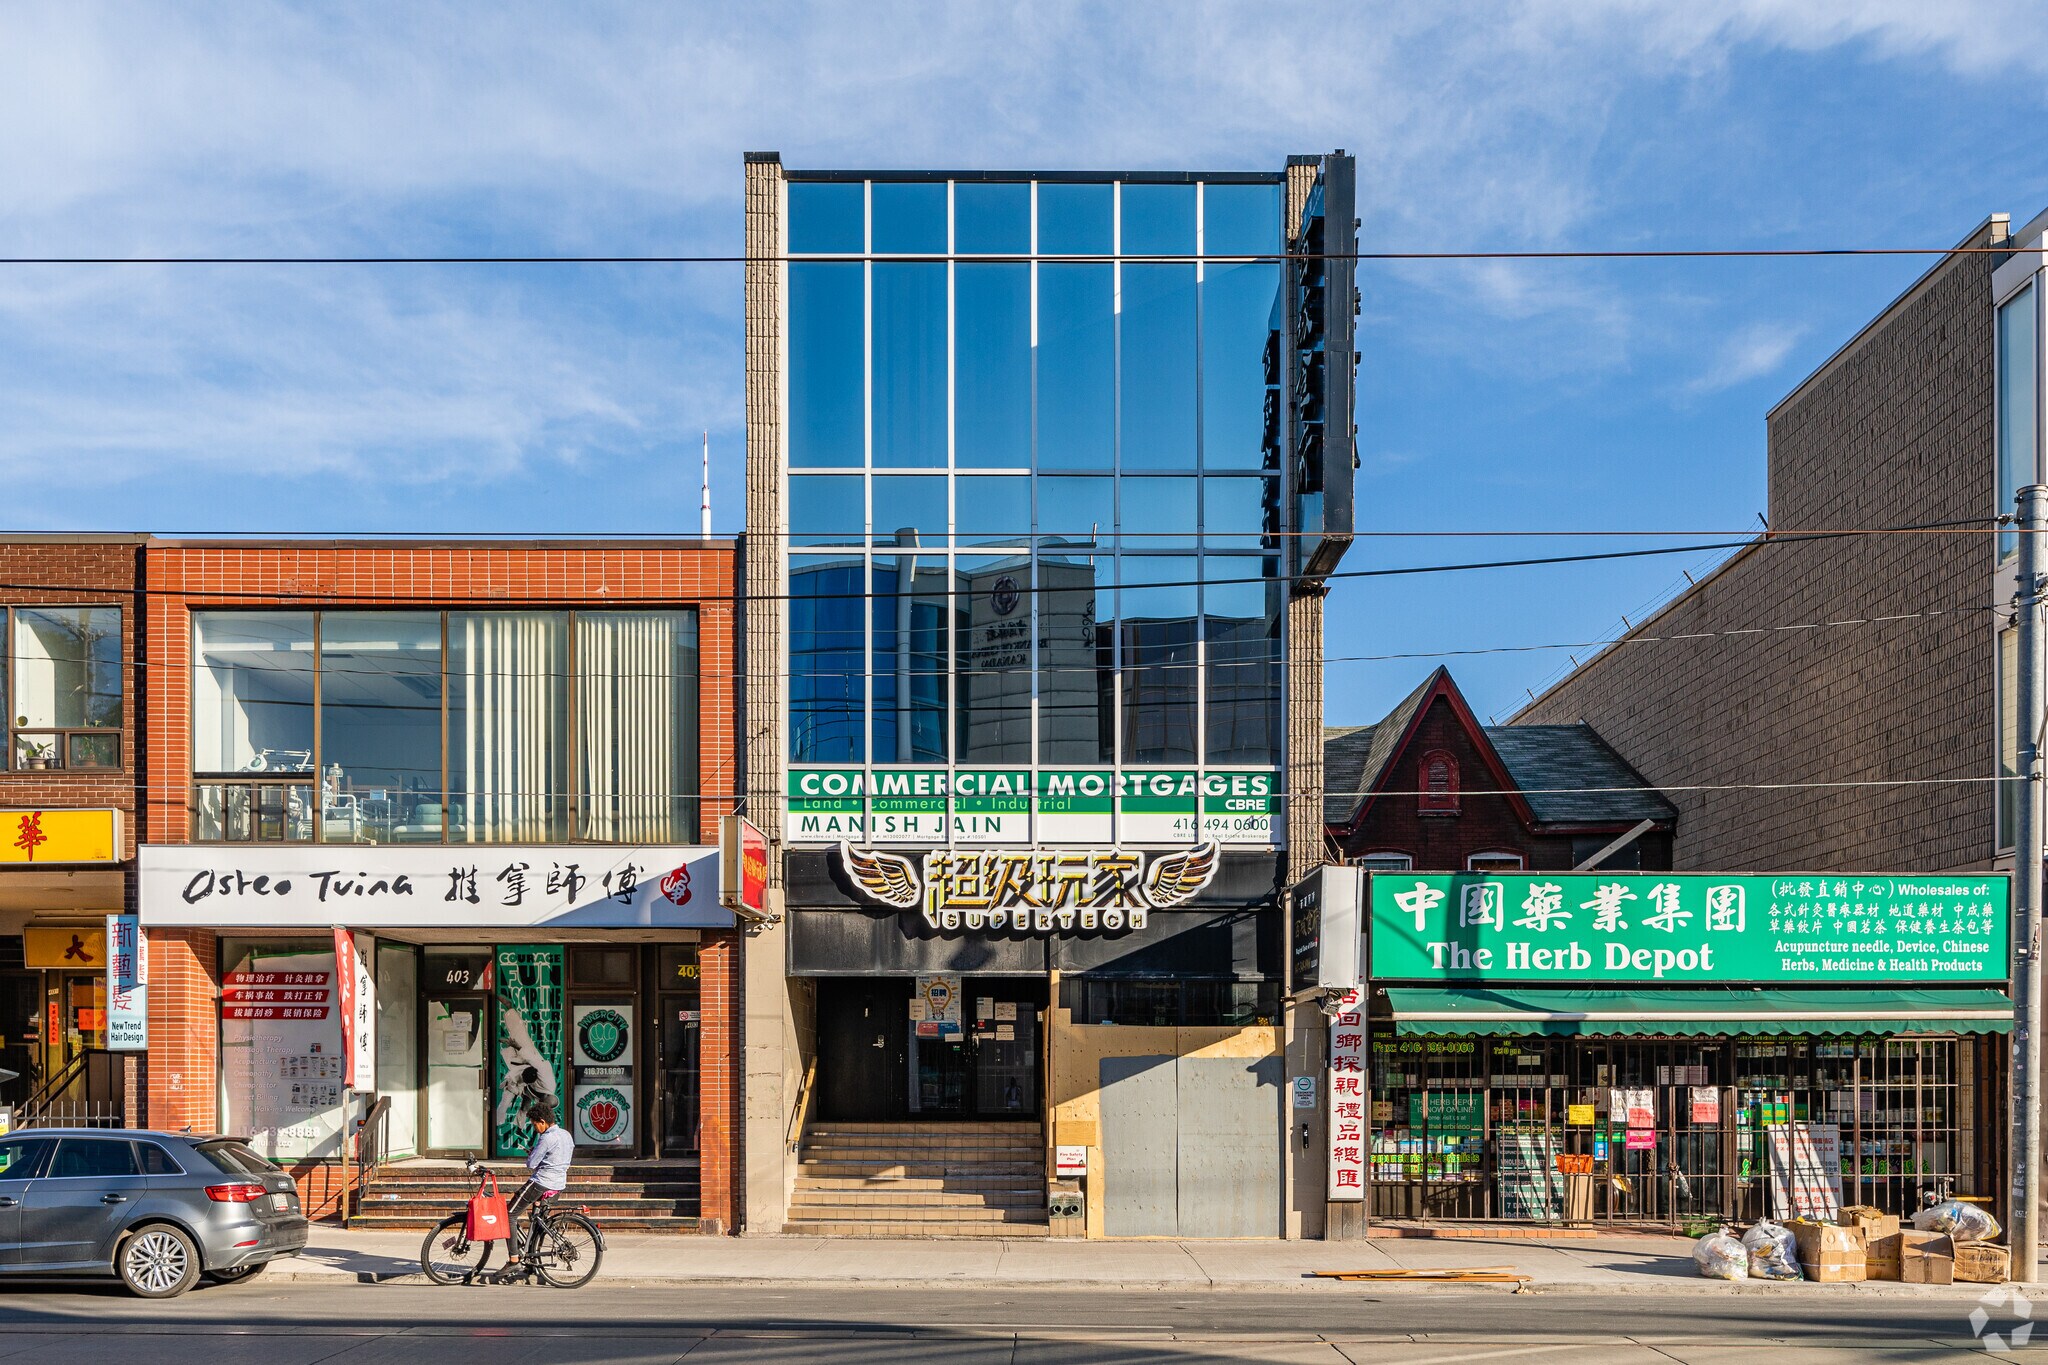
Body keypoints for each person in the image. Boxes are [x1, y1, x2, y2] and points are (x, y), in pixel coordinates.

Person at [507, 1099, 573, 1266]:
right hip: (558, 1185)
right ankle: (532, 1259)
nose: (535, 1129)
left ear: (542, 1122)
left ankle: (513, 1259)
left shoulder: (546, 1138)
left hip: (541, 1182)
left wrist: (532, 1154)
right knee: (538, 1221)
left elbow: (531, 1164)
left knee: (509, 1215)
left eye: (535, 1125)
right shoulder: (566, 1135)